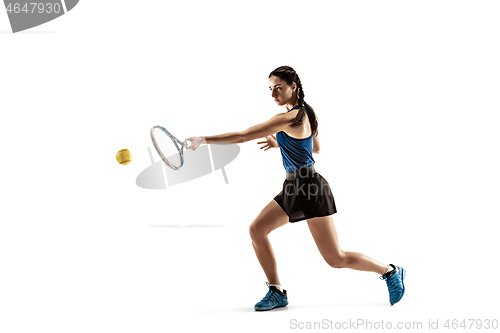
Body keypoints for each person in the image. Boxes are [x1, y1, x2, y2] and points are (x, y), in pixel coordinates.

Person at [185, 66, 405, 311]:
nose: (273, 94)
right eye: (270, 89)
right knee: (257, 229)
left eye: (278, 88)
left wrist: (203, 140)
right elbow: (315, 147)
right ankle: (276, 291)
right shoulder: (306, 113)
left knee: (336, 259)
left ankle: (390, 271)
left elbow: (243, 136)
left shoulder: (289, 118)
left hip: (310, 188)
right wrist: (282, 143)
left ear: (293, 87)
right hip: (293, 186)